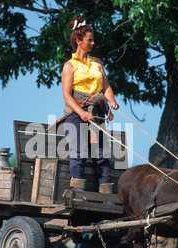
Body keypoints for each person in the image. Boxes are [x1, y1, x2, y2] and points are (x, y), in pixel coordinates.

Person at [59, 16, 119, 194]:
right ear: (79, 41)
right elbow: (66, 96)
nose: (93, 43)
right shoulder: (69, 66)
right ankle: (77, 193)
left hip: (97, 111)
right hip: (76, 113)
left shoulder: (97, 63)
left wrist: (112, 101)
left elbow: (105, 86)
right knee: (79, 152)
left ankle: (106, 194)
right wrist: (82, 113)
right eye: (89, 40)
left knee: (101, 154)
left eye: (93, 40)